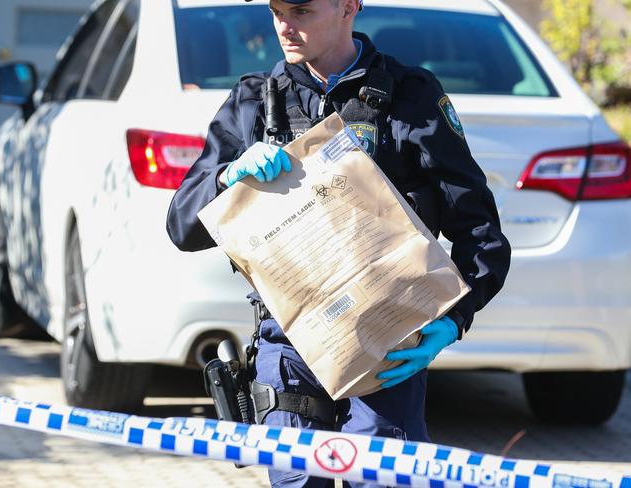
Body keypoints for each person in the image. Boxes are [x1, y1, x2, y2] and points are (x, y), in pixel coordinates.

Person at [166, 0, 511, 486]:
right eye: (276, 10)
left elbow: (480, 233)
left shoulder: (411, 96)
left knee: (381, 478)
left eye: (302, 10)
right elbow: (182, 225)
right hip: (288, 347)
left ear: (350, 6)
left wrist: (453, 320)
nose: (284, 25)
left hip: (387, 342)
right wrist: (227, 178)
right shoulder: (252, 101)